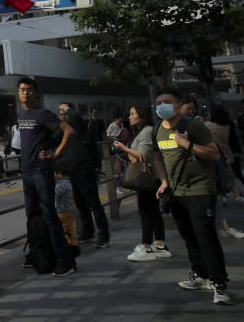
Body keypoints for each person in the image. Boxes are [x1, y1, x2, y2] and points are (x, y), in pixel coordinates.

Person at [152, 89, 231, 305]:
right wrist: (164, 181)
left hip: (200, 190)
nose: (162, 106)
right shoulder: (158, 128)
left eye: (167, 101)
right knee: (188, 237)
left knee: (206, 237)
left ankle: (219, 283)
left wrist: (187, 144)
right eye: (158, 102)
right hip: (176, 192)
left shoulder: (193, 126)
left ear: (178, 105)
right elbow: (157, 157)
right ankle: (200, 273)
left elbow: (215, 154)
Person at [16, 77, 77, 276]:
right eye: (22, 90)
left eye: (29, 90)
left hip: (41, 171)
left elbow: (69, 131)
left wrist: (56, 153)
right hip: (26, 172)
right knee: (32, 216)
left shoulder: (42, 113)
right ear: (18, 93)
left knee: (50, 215)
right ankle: (39, 254)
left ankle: (65, 260)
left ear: (36, 93)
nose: (26, 93)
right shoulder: (21, 112)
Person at [114, 105, 171, 261]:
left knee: (146, 211)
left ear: (142, 115)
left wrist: (123, 148)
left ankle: (146, 245)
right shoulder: (146, 131)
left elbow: (142, 156)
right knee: (152, 211)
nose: (129, 117)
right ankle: (159, 244)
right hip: (152, 177)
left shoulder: (146, 132)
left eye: (133, 114)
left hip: (147, 178)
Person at [58, 102, 109, 248]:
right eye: (60, 114)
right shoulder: (63, 130)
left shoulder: (81, 126)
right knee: (80, 204)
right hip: (71, 171)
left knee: (94, 203)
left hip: (85, 170)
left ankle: (104, 235)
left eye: (65, 114)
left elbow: (77, 118)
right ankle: (88, 231)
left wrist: (66, 108)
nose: (63, 117)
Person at [205, 107, 244, 239]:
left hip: (212, 161)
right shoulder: (227, 126)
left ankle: (224, 226)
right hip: (227, 158)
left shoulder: (208, 126)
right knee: (231, 180)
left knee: (219, 193)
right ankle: (235, 192)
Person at [53, 161, 79, 257]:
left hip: (63, 211)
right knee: (70, 228)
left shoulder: (61, 185)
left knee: (64, 228)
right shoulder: (68, 181)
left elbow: (54, 194)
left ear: (59, 173)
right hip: (71, 209)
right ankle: (74, 245)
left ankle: (68, 246)